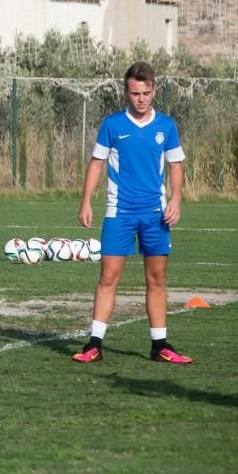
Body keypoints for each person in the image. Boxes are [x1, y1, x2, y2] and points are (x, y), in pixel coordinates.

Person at [73, 62, 190, 364]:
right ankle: (94, 344)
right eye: (135, 93)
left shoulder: (167, 126)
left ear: (154, 91)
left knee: (157, 279)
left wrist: (176, 199)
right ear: (126, 92)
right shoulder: (112, 125)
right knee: (108, 277)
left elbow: (176, 165)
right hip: (119, 212)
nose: (141, 99)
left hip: (155, 214)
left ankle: (159, 345)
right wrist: (86, 201)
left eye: (146, 93)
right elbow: (97, 163)